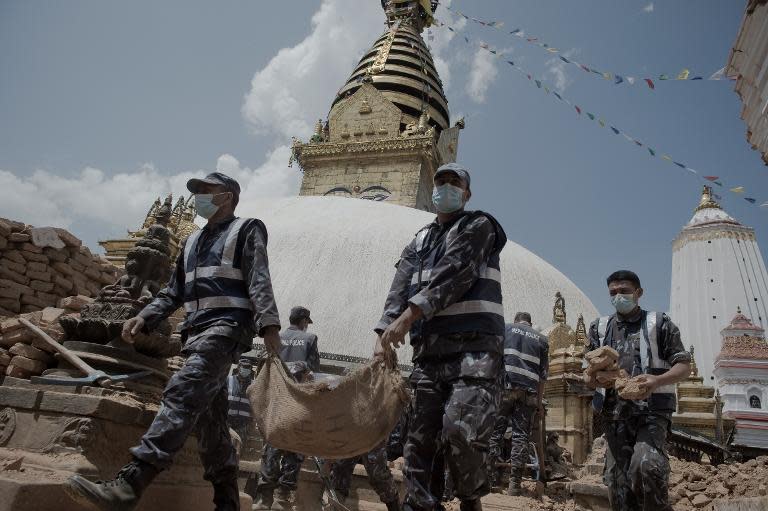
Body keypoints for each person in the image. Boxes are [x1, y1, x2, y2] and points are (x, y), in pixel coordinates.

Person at [64, 172, 282, 511]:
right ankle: (227, 503)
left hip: (226, 329)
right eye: (197, 193)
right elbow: (172, 291)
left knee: (181, 391)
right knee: (213, 428)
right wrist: (146, 315)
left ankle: (128, 485)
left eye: (206, 192)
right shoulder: (192, 241)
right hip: (196, 334)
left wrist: (269, 326)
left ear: (227, 197)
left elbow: (259, 279)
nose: (199, 198)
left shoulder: (247, 229)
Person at [374, 162, 508, 511]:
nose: (446, 187)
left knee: (459, 433)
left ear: (467, 192)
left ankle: (469, 498)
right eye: (440, 181)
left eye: (454, 182)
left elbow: (456, 272)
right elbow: (399, 287)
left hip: (475, 351)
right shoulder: (418, 240)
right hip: (429, 355)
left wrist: (409, 316)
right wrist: (382, 334)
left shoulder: (479, 225)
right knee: (417, 444)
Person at [587, 270, 691, 511]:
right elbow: (587, 374)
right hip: (615, 415)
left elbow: (684, 367)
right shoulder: (599, 328)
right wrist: (595, 379)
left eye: (624, 291)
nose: (618, 296)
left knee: (646, 465)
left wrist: (656, 381)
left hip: (651, 412)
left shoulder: (659, 323)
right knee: (617, 482)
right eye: (613, 293)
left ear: (638, 293)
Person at [252, 306, 319, 511]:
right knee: (295, 446)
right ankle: (283, 497)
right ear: (304, 321)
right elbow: (314, 372)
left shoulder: (275, 337)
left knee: (272, 444)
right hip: (297, 402)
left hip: (276, 400)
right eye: (307, 321)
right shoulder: (310, 339)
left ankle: (264, 498)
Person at [487, 312, 549, 495]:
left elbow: (493, 360)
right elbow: (542, 377)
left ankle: (489, 480)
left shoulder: (505, 329)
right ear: (531, 323)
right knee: (521, 437)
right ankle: (514, 485)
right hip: (528, 393)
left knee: (495, 434)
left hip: (504, 389)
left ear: (516, 321)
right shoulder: (542, 340)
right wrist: (538, 402)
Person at [325, 443, 400, 511]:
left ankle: (395, 508)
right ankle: (335, 508)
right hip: (348, 435)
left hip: (372, 435)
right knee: (340, 471)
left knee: (378, 475)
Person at [227, 358, 255, 445]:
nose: (246, 370)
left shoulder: (254, 385)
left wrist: (252, 420)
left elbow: (256, 405)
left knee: (238, 448)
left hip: (243, 424)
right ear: (239, 367)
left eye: (248, 368)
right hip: (227, 421)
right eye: (244, 367)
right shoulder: (228, 380)